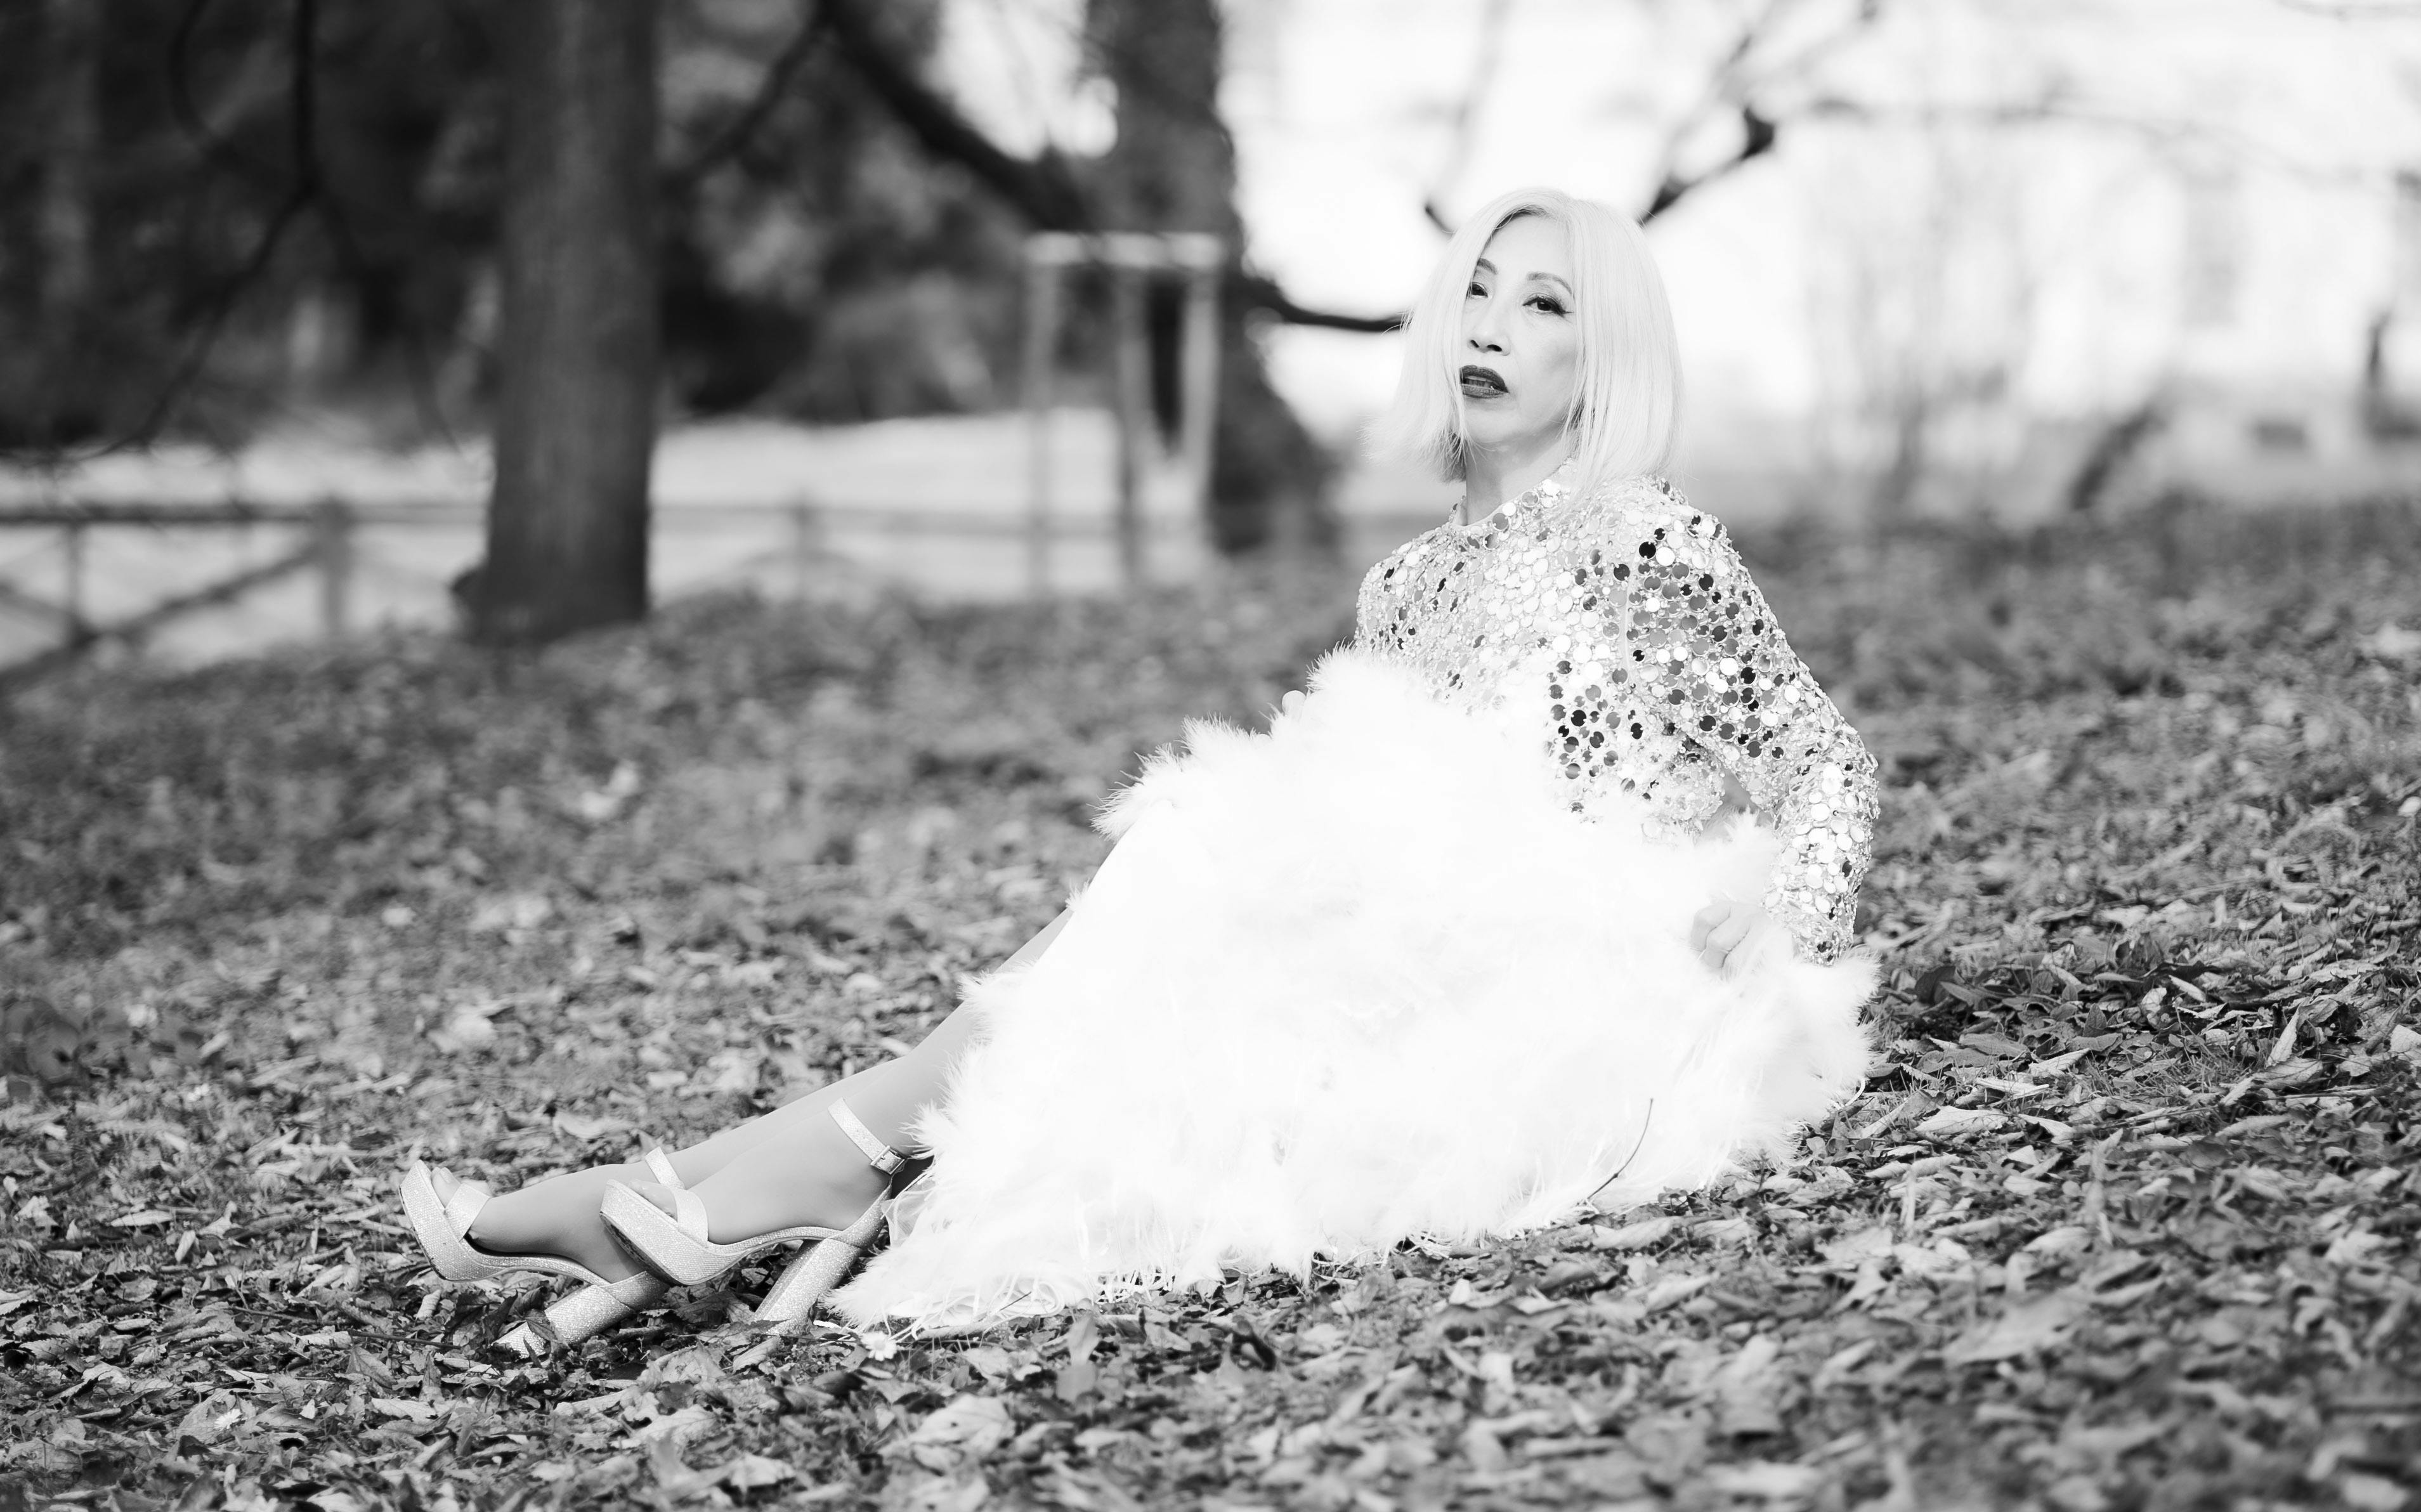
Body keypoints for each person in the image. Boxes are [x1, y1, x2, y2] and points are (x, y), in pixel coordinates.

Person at [403, 186, 1879, 1348]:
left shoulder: (1643, 538)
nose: (1492, 324)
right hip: (1394, 955)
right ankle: (739, 1187)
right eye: (1476, 292)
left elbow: (1826, 768)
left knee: (1189, 865)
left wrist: (1781, 909)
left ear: (1598, 352)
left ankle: (703, 1195)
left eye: (1543, 302)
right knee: (1172, 896)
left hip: (1570, 978)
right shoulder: (1407, 586)